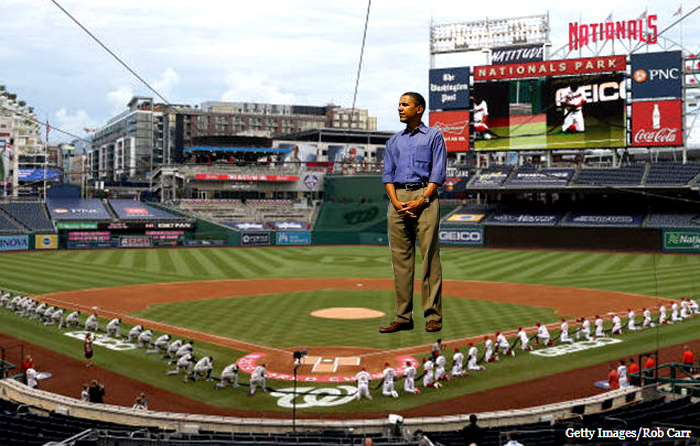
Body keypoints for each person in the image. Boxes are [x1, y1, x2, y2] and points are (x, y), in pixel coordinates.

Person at [380, 92, 446, 334]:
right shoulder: (393, 141)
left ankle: (433, 316)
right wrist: (396, 203)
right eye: (399, 104)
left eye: (405, 105)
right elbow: (388, 175)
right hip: (397, 199)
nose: (400, 108)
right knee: (401, 262)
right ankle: (403, 317)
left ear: (419, 109)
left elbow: (438, 172)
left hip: (425, 198)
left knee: (429, 258)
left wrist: (423, 199)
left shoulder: (434, 136)